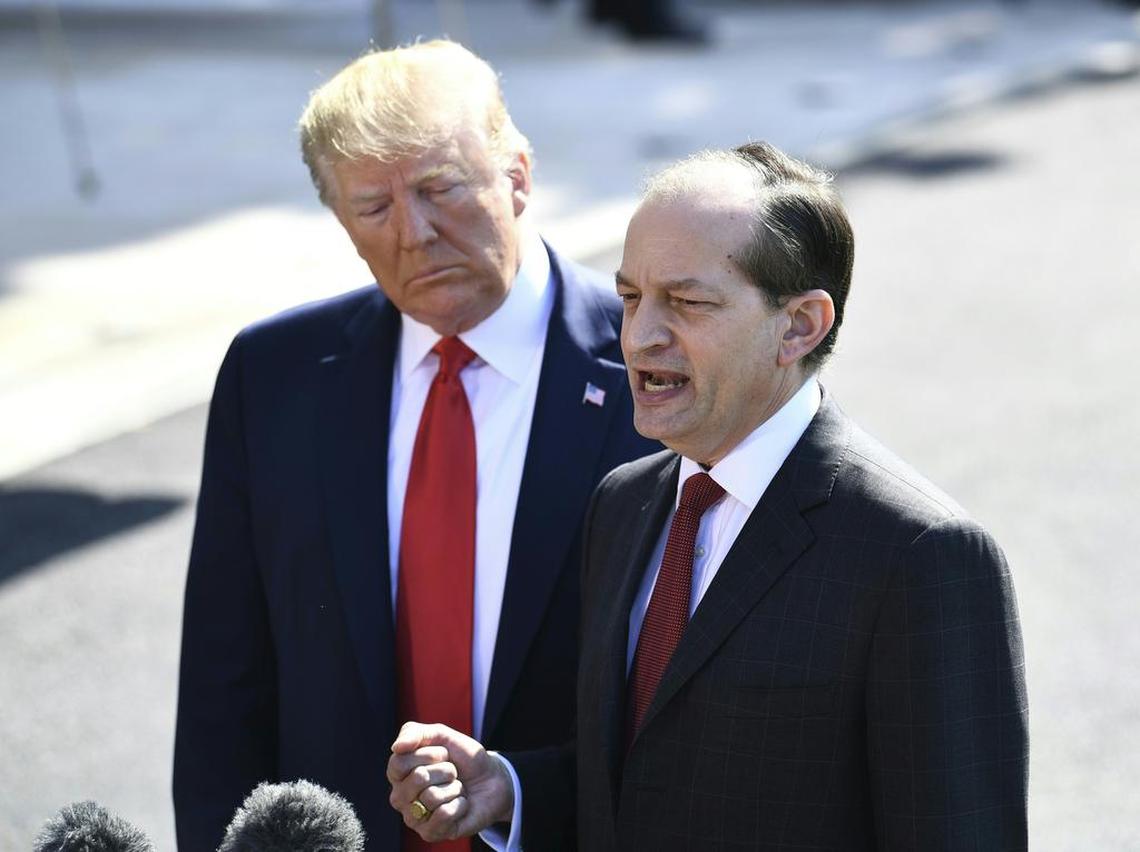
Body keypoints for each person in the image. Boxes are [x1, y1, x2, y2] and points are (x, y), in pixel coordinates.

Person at [387, 141, 1030, 850]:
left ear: (799, 326)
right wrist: (511, 788)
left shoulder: (919, 555)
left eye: (687, 303)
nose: (639, 337)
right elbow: (652, 774)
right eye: (631, 297)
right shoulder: (624, 504)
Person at [172, 40, 656, 852]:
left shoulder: (653, 365)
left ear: (519, 176)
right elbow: (225, 686)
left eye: (441, 189)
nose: (416, 232)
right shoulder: (275, 377)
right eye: (373, 209)